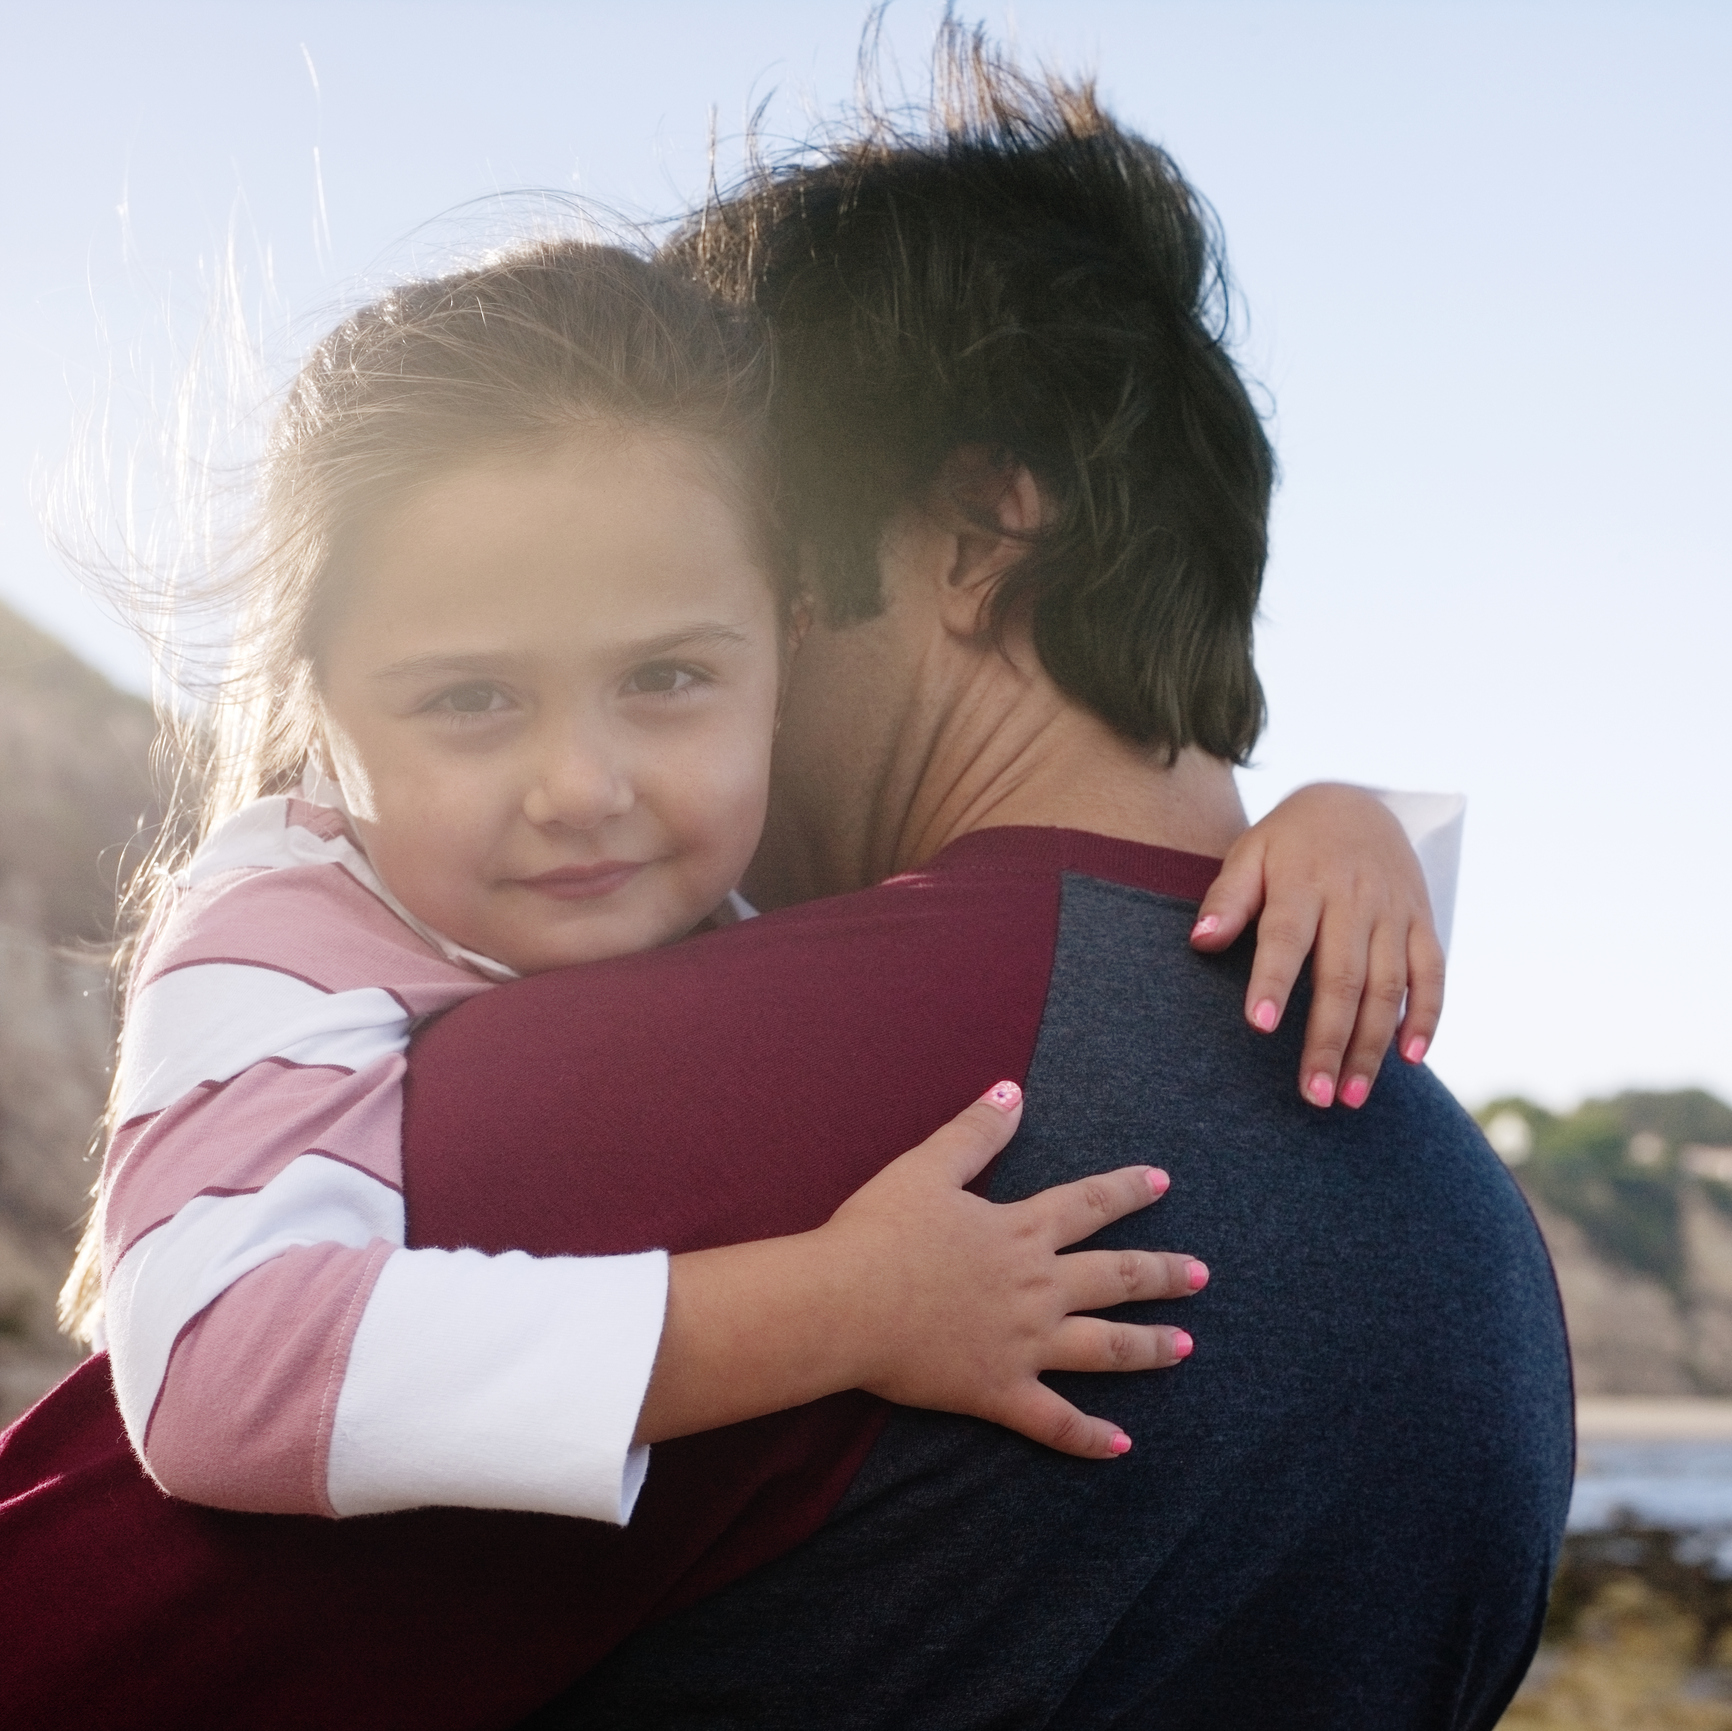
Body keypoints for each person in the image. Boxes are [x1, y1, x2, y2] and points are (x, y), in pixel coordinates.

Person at [0, 38, 1563, 1731]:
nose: (593, 779)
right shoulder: (1466, 1232)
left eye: (716, 609)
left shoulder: (658, 1095)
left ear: (976, 538)